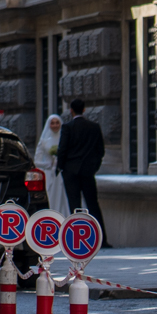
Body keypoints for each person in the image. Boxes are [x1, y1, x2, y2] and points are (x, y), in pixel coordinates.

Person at [56, 101, 108, 246]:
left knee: (74, 205)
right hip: (88, 171)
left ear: (71, 110)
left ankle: (76, 240)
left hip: (71, 171)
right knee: (93, 204)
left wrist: (61, 168)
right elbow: (100, 151)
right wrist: (93, 167)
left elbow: (62, 150)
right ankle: (101, 239)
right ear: (84, 110)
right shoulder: (94, 127)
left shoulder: (68, 127)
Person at [33, 113, 69, 215]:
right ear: (49, 125)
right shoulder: (44, 141)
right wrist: (48, 164)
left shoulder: (65, 139)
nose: (55, 125)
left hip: (63, 174)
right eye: (52, 123)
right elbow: (37, 161)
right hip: (49, 174)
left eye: (57, 123)